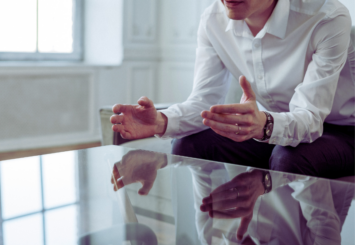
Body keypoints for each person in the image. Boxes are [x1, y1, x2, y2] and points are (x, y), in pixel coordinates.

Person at [110, 0, 355, 179]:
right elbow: (204, 101)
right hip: (270, 126)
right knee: (189, 145)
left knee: (288, 158)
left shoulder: (327, 18)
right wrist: (161, 121)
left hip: (342, 131)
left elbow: (310, 118)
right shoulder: (212, 20)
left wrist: (265, 125)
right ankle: (232, 227)